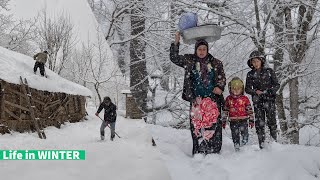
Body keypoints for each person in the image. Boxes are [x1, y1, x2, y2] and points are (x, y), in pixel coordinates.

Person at [170, 31, 226, 155]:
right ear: (196, 50)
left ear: (207, 50)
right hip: (197, 100)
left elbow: (222, 78)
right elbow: (174, 58)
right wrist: (176, 41)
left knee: (213, 124)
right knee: (197, 124)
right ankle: (199, 150)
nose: (201, 51)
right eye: (199, 49)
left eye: (204, 49)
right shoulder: (189, 60)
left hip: (212, 99)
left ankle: (214, 150)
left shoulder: (216, 62)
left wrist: (220, 87)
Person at [245, 50, 280, 149]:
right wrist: (255, 91)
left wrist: (270, 91)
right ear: (251, 63)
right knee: (260, 124)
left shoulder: (269, 71)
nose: (255, 63)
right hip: (257, 102)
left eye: (257, 61)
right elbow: (247, 89)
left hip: (270, 101)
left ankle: (274, 144)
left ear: (261, 61)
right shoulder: (250, 74)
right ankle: (262, 145)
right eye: (253, 61)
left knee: (272, 123)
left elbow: (277, 85)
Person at [222, 77, 254, 151]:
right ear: (230, 89)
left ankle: (245, 146)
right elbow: (225, 110)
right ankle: (237, 147)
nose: (236, 91)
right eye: (234, 89)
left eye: (238, 89)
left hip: (244, 120)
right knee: (235, 134)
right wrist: (223, 121)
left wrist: (251, 120)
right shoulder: (228, 99)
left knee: (245, 134)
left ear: (241, 89)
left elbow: (249, 110)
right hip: (233, 121)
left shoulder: (245, 98)